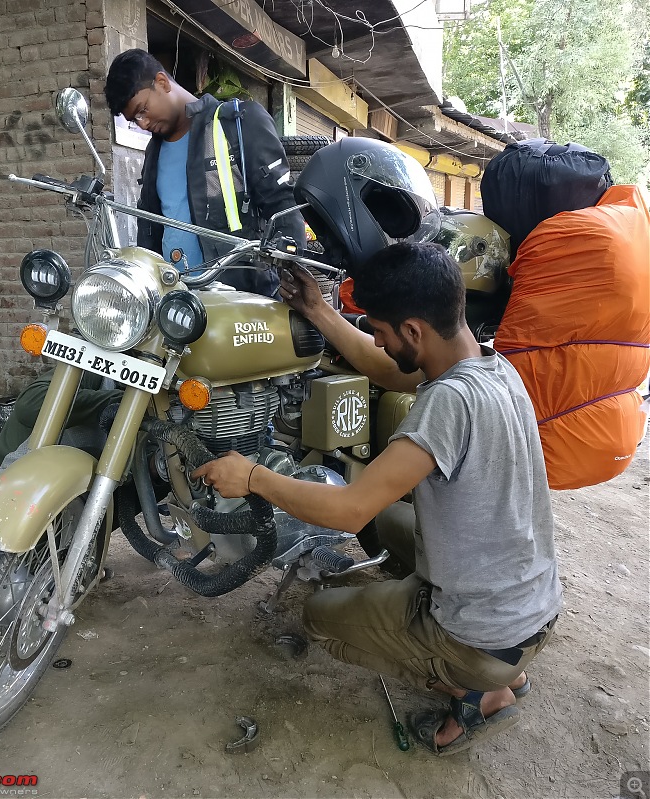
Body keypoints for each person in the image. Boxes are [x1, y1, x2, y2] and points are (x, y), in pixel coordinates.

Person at [193, 242, 563, 756]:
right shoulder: (490, 365)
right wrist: (318, 309)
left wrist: (253, 476)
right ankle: (506, 669)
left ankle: (478, 691)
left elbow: (346, 509)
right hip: (532, 608)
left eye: (382, 331)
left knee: (321, 617)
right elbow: (391, 370)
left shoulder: (447, 405)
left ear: (414, 330)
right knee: (383, 521)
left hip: (482, 633)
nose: (378, 342)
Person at [104, 49, 305, 297]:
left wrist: (293, 285)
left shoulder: (238, 123)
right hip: (177, 304)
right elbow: (151, 229)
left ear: (162, 82)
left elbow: (282, 207)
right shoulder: (153, 152)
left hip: (241, 300)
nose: (143, 124)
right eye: (134, 120)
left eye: (143, 110)